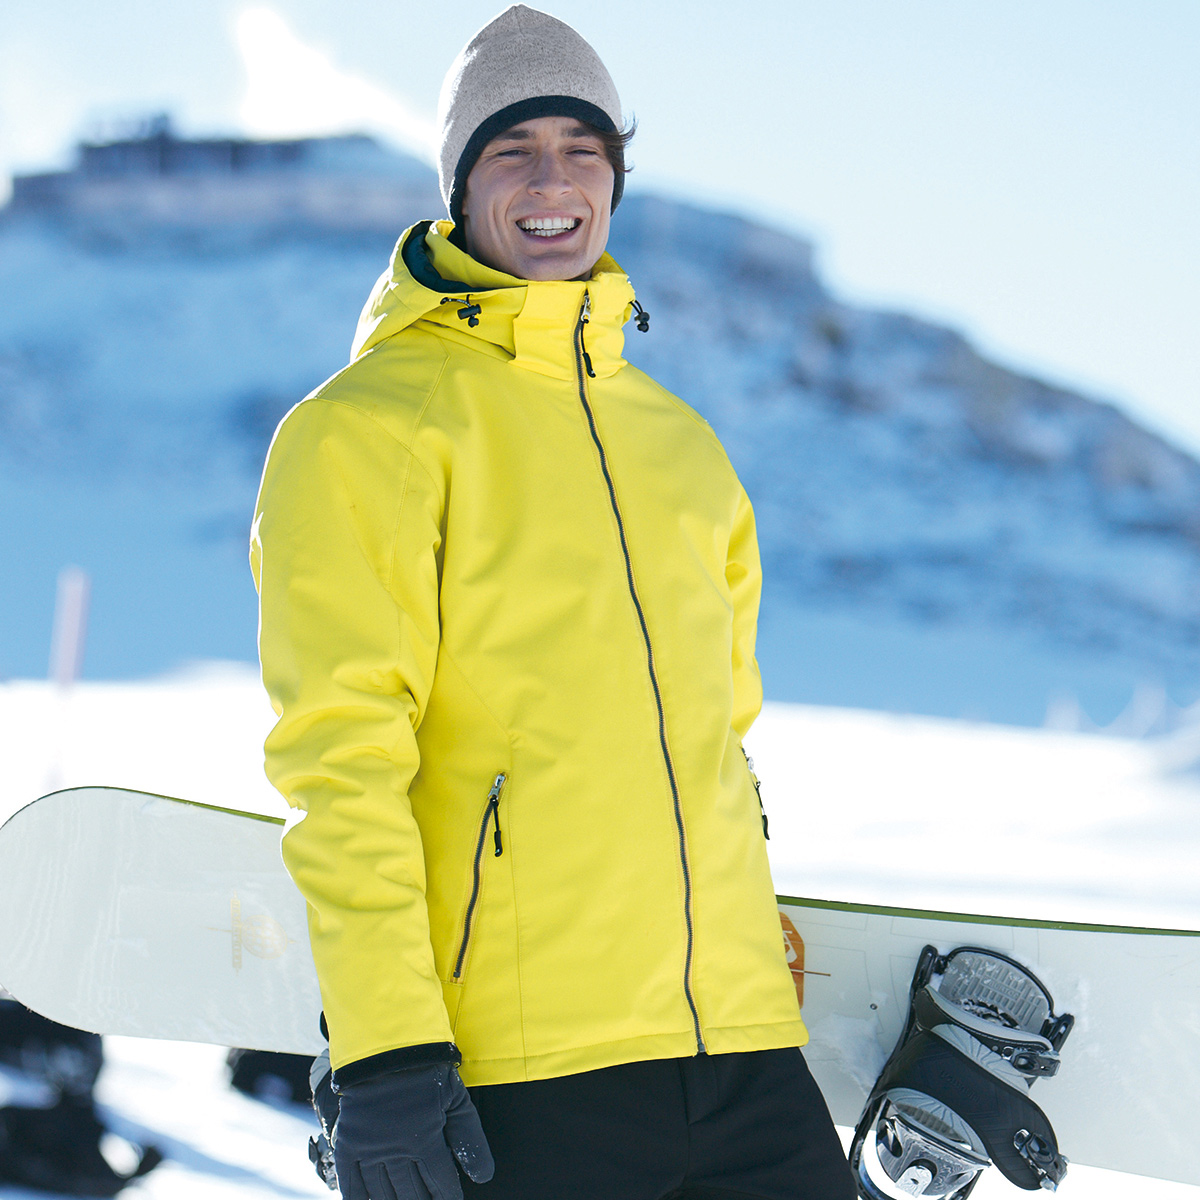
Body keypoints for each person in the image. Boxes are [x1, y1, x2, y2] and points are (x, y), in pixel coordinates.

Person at [251, 6, 855, 1198]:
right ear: (459, 186)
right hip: (518, 1070)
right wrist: (386, 1048)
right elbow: (342, 758)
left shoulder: (684, 449)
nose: (551, 180)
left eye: (584, 148)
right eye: (512, 149)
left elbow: (720, 739)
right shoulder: (364, 431)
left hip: (743, 1056)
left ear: (616, 180)